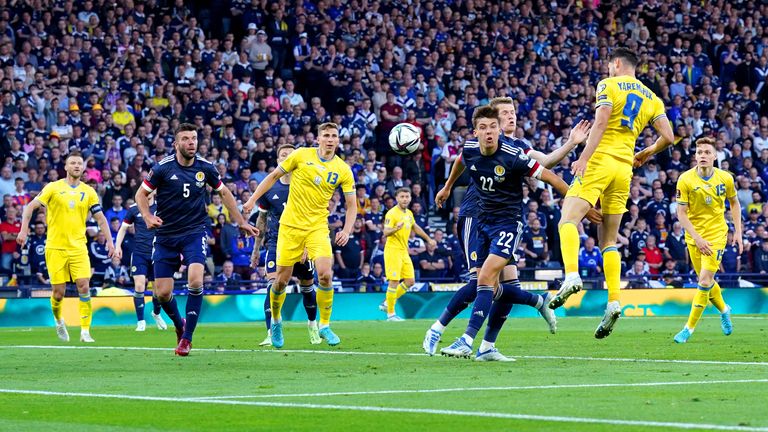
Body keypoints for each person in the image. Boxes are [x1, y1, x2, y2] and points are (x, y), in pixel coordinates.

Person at [422, 97, 593, 355]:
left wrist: (571, 145)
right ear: (483, 126)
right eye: (504, 113)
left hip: (507, 221)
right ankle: (453, 332)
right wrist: (447, 187)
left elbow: (547, 165)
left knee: (500, 283)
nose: (510, 117)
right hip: (475, 216)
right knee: (484, 281)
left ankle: (479, 343)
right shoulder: (474, 147)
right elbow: (461, 158)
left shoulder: (517, 150)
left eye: (512, 113)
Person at [550, 47, 675, 339]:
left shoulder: (608, 85)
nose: (608, 71)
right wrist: (647, 151)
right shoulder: (652, 97)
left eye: (609, 66)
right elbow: (668, 137)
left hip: (600, 161)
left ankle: (571, 276)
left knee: (567, 220)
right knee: (608, 241)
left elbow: (602, 120)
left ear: (616, 64)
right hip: (624, 170)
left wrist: (583, 157)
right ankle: (615, 301)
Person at [136, 124, 257, 356]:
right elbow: (140, 194)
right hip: (165, 234)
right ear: (176, 143)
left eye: (194, 138)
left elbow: (224, 193)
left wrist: (240, 220)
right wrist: (147, 216)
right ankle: (179, 325)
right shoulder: (162, 168)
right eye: (186, 139)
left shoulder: (206, 168)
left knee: (195, 280)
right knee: (162, 292)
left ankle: (187, 339)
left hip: (194, 231)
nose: (191, 142)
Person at [243, 123, 356, 349]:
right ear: (318, 138)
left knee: (324, 275)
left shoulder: (343, 169)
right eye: (326, 135)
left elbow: (352, 205)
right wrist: (252, 199)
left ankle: (324, 325)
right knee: (281, 281)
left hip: (317, 228)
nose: (330, 139)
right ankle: (276, 321)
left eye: (334, 135)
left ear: (338, 140)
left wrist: (346, 229)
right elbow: (273, 176)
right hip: (290, 228)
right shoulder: (301, 155)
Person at [17, 151, 116, 343]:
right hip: (55, 247)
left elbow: (101, 219)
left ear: (83, 167)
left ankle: (85, 331)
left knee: (84, 286)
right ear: (66, 166)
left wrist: (111, 242)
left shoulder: (89, 192)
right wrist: (23, 230)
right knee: (58, 292)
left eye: (80, 163)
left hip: (79, 247)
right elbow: (30, 207)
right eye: (73, 163)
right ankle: (58, 319)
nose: (77, 166)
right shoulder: (53, 188)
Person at [249, 144, 321, 347]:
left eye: (290, 155)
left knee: (307, 287)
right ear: (278, 160)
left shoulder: (306, 185)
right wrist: (256, 250)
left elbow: (312, 217)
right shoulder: (270, 187)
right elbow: (261, 221)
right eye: (283, 155)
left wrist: (308, 246)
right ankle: (271, 332)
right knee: (273, 286)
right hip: (276, 244)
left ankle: (312, 324)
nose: (287, 158)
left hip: (301, 244)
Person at [673, 137, 742, 343]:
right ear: (695, 156)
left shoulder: (725, 178)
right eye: (699, 152)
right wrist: (697, 238)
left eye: (706, 152)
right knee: (708, 282)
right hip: (694, 236)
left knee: (703, 281)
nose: (702, 155)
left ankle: (688, 329)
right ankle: (724, 309)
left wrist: (738, 232)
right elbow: (682, 214)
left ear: (714, 156)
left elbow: (735, 203)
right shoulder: (685, 179)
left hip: (716, 235)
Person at [115, 191, 168, 332]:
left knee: (159, 292)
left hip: (157, 254)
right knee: (139, 286)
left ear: (155, 191)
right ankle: (140, 321)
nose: (148, 192)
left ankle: (156, 314)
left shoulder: (161, 207)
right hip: (139, 253)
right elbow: (123, 228)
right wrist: (117, 246)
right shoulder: (134, 208)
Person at [380, 187, 435, 321]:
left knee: (410, 281)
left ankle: (387, 302)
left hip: (404, 251)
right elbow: (385, 232)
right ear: (397, 198)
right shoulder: (392, 213)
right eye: (402, 197)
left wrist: (428, 239)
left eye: (407, 196)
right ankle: (391, 314)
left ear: (410, 198)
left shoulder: (409, 213)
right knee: (394, 281)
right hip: (393, 250)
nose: (405, 199)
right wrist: (395, 228)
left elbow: (415, 227)